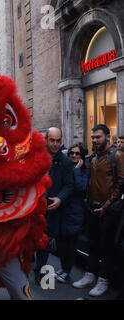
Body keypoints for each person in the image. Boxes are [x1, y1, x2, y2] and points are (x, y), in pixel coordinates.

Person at [72, 124, 124, 297]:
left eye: (98, 137)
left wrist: (107, 205)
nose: (94, 140)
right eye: (92, 137)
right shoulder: (93, 158)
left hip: (109, 210)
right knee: (92, 244)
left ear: (108, 137)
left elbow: (121, 184)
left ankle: (103, 280)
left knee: (107, 247)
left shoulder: (117, 155)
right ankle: (90, 275)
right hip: (93, 208)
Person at [34, 127, 74, 285]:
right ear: (46, 140)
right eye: (52, 140)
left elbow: (69, 184)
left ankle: (40, 272)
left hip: (52, 209)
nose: (56, 144)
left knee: (46, 242)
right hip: (34, 207)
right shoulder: (36, 156)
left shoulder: (65, 161)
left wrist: (60, 199)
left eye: (58, 140)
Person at [54, 143, 88, 283]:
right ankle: (63, 268)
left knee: (70, 245)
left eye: (77, 153)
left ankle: (67, 271)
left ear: (82, 157)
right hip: (63, 210)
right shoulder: (65, 168)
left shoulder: (84, 170)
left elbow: (81, 187)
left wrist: (77, 170)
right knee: (61, 243)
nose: (74, 155)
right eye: (71, 153)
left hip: (75, 212)